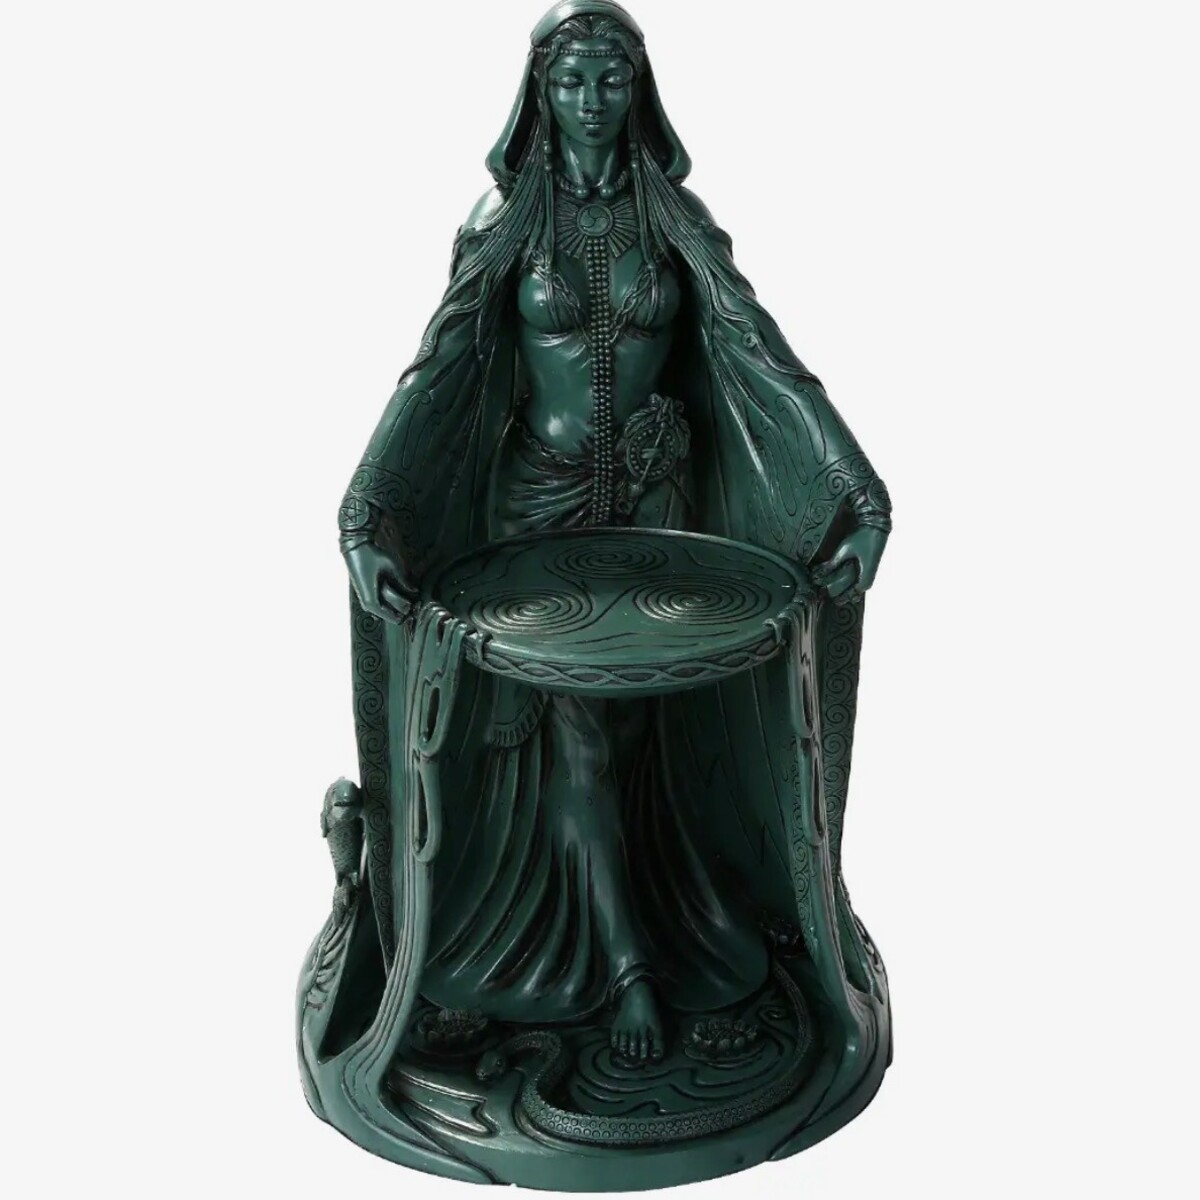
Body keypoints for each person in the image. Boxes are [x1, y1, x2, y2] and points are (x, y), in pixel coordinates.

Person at [337, 0, 892, 1069]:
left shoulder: (675, 221)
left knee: (647, 734)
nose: (592, 101)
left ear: (639, 90)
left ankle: (642, 920)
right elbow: (435, 372)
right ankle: (630, 968)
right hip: (534, 513)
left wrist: (858, 496)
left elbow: (763, 356)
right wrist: (367, 511)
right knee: (579, 735)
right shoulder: (503, 224)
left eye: (611, 78)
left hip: (655, 511)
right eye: (571, 80)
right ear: (539, 94)